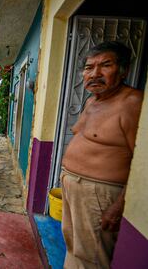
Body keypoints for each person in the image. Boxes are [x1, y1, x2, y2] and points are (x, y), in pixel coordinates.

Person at [61, 41, 143, 268]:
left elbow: (143, 162)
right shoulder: (91, 102)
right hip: (73, 186)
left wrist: (119, 205)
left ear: (123, 70)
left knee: (93, 257)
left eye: (105, 65)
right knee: (74, 246)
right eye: (89, 67)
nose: (95, 73)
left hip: (98, 194)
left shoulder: (131, 103)